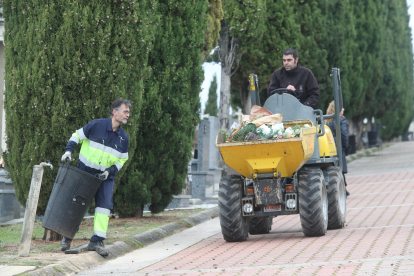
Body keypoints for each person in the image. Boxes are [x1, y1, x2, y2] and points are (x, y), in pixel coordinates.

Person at [59, 98, 130, 256]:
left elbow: (122, 160)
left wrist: (110, 172)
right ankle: (67, 237)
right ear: (114, 112)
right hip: (85, 174)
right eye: (125, 111)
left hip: (105, 178)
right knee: (76, 205)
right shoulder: (96, 125)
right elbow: (76, 136)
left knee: (104, 208)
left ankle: (97, 241)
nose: (128, 115)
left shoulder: (124, 139)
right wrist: (68, 151)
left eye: (128, 112)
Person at [325, 101, 350, 197]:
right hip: (338, 147)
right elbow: (344, 134)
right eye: (342, 108)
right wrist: (346, 146)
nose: (343, 109)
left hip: (329, 147)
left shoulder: (327, 120)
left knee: (333, 168)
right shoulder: (341, 119)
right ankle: (342, 188)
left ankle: (341, 188)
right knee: (340, 168)